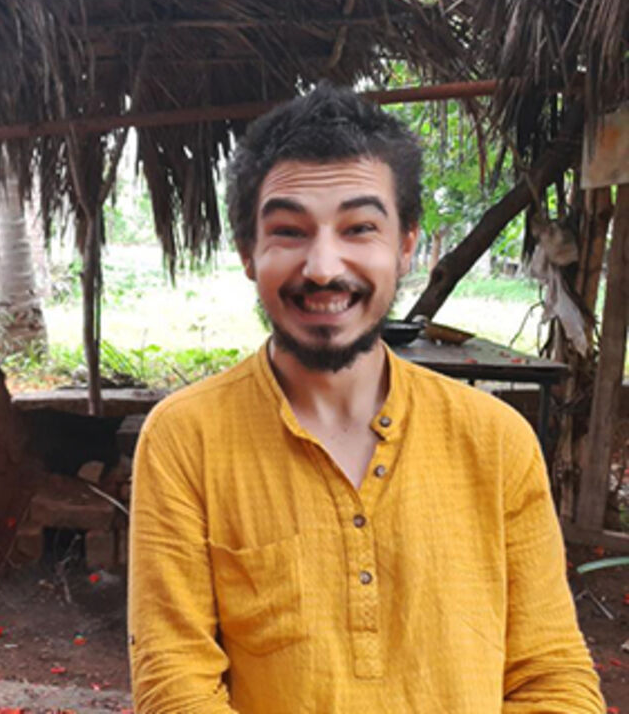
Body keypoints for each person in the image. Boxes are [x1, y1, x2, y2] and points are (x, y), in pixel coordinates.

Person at [127, 84, 603, 712]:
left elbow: (552, 675)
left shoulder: (496, 441)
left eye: (359, 228)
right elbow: (175, 685)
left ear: (405, 245)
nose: (323, 267)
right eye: (289, 231)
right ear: (248, 253)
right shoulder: (186, 439)